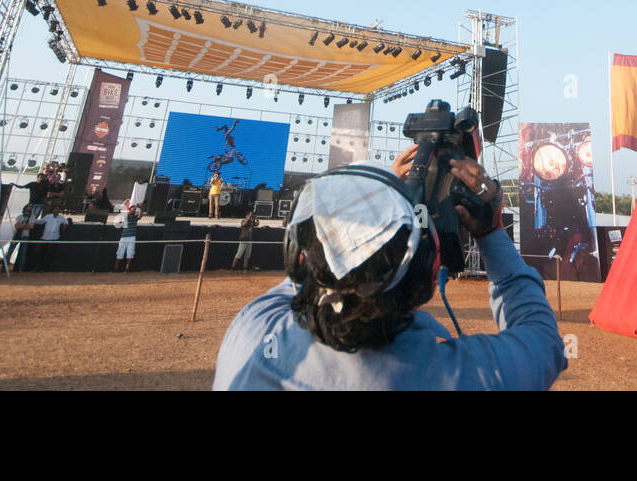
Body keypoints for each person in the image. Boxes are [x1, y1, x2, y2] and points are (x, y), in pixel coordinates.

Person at [212, 143, 566, 390]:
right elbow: (544, 339)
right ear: (425, 272)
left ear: (297, 254)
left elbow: (309, 269)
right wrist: (490, 231)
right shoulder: (459, 376)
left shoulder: (252, 333)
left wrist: (382, 192)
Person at [30, 205, 72, 272]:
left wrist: (65, 225)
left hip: (54, 239)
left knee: (48, 255)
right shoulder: (48, 216)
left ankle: (44, 268)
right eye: (55, 210)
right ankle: (36, 267)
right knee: (39, 253)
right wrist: (33, 220)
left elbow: (66, 222)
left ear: (59, 212)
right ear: (53, 211)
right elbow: (41, 221)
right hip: (45, 238)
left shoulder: (61, 218)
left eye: (58, 210)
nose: (56, 212)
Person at [115, 204, 140, 272]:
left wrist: (141, 207)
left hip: (132, 237)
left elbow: (141, 215)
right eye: (133, 209)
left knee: (130, 252)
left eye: (135, 209)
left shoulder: (135, 217)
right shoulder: (126, 216)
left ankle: (127, 268)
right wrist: (131, 210)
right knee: (120, 252)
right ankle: (116, 268)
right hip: (124, 237)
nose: (135, 210)